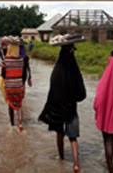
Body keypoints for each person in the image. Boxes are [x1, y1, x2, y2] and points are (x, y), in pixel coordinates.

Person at [39, 37, 87, 173]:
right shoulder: (74, 69)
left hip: (58, 108)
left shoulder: (57, 69)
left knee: (59, 134)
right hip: (71, 108)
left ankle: (61, 159)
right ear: (72, 52)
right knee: (73, 137)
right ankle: (76, 164)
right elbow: (81, 92)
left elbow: (52, 90)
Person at [1, 37, 32, 130]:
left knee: (10, 105)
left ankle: (11, 124)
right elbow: (25, 70)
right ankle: (20, 123)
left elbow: (3, 75)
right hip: (19, 85)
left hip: (9, 87)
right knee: (19, 105)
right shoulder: (21, 60)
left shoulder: (6, 60)